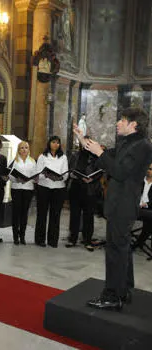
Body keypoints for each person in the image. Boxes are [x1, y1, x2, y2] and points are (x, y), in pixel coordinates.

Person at [74, 107, 152, 310]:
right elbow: (106, 155)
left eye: (122, 120)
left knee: (115, 250)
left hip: (123, 205)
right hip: (118, 204)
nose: (117, 122)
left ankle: (112, 295)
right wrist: (85, 142)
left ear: (133, 125)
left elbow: (119, 171)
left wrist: (99, 152)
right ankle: (123, 289)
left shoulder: (143, 146)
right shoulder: (128, 143)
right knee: (121, 248)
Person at [66, 135, 102, 251]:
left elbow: (100, 171)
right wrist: (72, 174)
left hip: (90, 189)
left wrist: (93, 179)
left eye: (88, 142)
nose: (86, 145)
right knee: (74, 215)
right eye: (84, 142)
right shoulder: (75, 155)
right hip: (76, 188)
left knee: (88, 216)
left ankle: (87, 240)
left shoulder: (96, 156)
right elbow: (70, 168)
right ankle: (72, 239)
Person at [35, 136, 69, 248]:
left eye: (58, 143)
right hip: (44, 187)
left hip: (59, 188)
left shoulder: (63, 157)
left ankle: (53, 240)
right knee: (42, 214)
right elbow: (38, 173)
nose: (55, 144)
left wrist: (60, 177)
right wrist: (46, 175)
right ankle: (40, 239)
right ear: (49, 143)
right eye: (53, 142)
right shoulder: (42, 157)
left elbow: (66, 174)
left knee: (55, 215)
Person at [9, 141, 37, 245]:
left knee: (24, 213)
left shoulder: (32, 161)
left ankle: (22, 236)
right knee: (16, 213)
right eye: (22, 148)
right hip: (16, 188)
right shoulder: (14, 161)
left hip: (28, 189)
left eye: (26, 147)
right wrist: (17, 179)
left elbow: (35, 175)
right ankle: (15, 237)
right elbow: (10, 176)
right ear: (18, 150)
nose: (24, 149)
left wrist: (36, 179)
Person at [133, 163, 152, 251]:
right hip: (133, 207)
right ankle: (139, 242)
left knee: (149, 222)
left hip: (148, 209)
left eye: (151, 169)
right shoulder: (138, 180)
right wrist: (138, 203)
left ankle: (139, 242)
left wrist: (146, 204)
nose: (148, 171)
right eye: (148, 168)